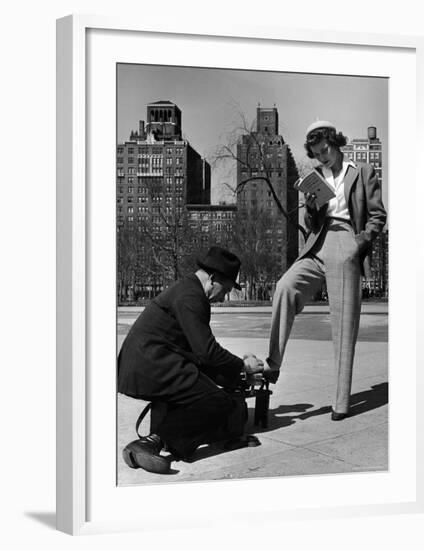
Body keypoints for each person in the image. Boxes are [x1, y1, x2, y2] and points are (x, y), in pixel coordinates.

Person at [266, 120, 387, 419]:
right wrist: (312, 208)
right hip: (317, 242)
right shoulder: (314, 178)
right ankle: (273, 365)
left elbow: (377, 215)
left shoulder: (362, 171)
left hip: (347, 240)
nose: (323, 157)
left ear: (335, 142)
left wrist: (360, 244)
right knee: (285, 286)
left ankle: (341, 403)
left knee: (344, 325)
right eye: (317, 154)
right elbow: (312, 225)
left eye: (326, 150)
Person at [118, 246, 266, 473]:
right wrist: (243, 366)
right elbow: (207, 352)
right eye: (225, 290)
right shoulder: (191, 297)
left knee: (208, 391)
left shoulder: (187, 289)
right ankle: (151, 443)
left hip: (147, 364)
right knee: (218, 401)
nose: (223, 297)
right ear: (213, 279)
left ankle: (160, 440)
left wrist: (233, 376)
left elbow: (199, 354)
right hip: (149, 366)